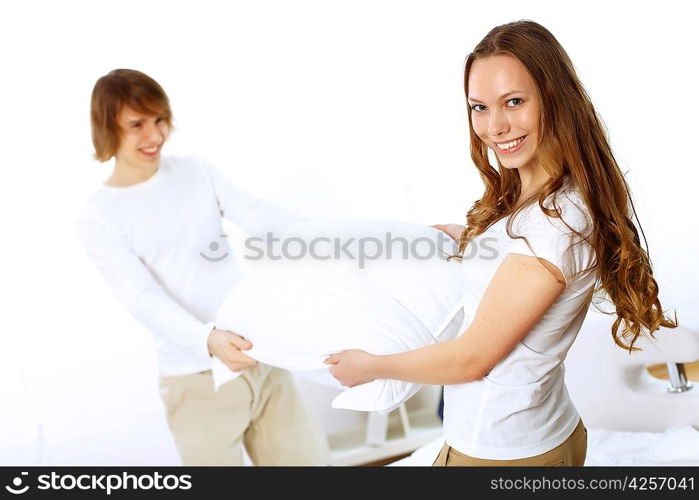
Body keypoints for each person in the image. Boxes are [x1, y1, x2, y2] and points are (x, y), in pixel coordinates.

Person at [326, 20, 678, 466]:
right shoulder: (543, 195)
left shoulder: (552, 227)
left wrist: (370, 365)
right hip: (548, 429)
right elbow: (519, 258)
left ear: (554, 99)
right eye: (479, 107)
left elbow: (472, 359)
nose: (495, 126)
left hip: (499, 449)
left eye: (514, 101)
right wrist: (467, 239)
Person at [77, 69, 328, 466]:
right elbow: (142, 297)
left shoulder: (196, 171)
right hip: (195, 382)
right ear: (107, 127)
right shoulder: (100, 217)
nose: (154, 135)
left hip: (261, 357)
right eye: (137, 124)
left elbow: (257, 215)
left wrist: (332, 237)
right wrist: (207, 339)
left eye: (159, 120)